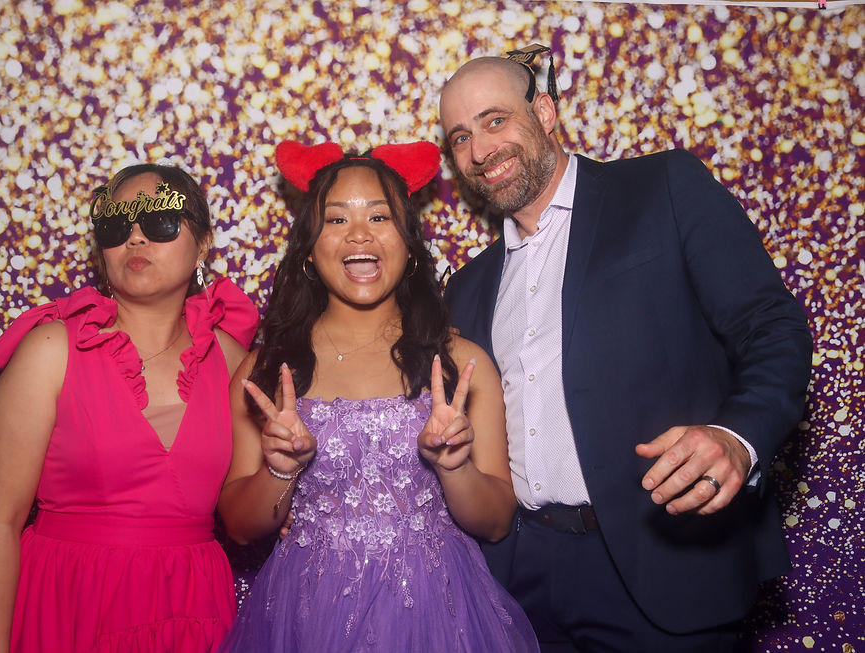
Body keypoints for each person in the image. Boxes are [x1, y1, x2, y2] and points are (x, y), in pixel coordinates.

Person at [439, 51, 813, 653]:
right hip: (520, 578)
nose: (481, 150)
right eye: (461, 137)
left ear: (545, 111)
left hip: (664, 563)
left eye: (495, 120)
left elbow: (773, 328)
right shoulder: (467, 287)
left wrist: (737, 437)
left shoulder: (662, 187)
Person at [216, 141, 541, 652]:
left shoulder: (461, 363)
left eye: (380, 216)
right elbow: (237, 527)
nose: (360, 234)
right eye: (337, 219)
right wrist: (279, 468)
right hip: (306, 614)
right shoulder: (266, 371)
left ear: (409, 244)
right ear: (308, 248)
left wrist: (454, 466)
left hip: (438, 613)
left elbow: (497, 523)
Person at [0, 164, 258, 653]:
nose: (136, 239)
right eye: (116, 226)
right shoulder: (51, 350)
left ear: (204, 244)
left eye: (160, 222)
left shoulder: (233, 362)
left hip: (193, 614)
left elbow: (249, 509)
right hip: (71, 607)